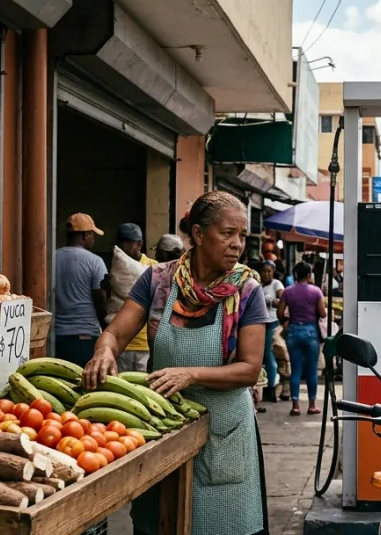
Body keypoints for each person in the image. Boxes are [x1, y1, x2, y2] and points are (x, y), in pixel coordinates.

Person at [82, 191, 271, 535]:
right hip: (163, 425)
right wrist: (104, 351)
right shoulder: (158, 281)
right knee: (160, 523)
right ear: (198, 234)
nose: (237, 245)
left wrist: (191, 375)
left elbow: (249, 368)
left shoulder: (247, 290)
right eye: (227, 233)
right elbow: (115, 333)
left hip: (224, 430)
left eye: (242, 236)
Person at [53, 213, 108, 368]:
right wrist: (106, 329)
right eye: (92, 235)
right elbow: (100, 299)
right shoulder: (95, 261)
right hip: (85, 336)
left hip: (56, 337)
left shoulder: (51, 258)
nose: (93, 240)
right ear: (86, 235)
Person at [106, 223, 159, 373]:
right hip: (122, 343)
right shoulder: (115, 266)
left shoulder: (153, 267)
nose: (124, 247)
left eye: (129, 242)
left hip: (144, 344)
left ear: (139, 244)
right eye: (121, 242)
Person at [277, 261, 327, 416]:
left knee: (296, 370)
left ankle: (295, 406)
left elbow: (280, 312)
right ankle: (312, 405)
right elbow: (323, 313)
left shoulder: (288, 291)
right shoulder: (316, 291)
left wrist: (285, 323)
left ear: (296, 274)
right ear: (309, 274)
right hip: (311, 332)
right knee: (312, 370)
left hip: (293, 331)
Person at [259, 260, 285, 410]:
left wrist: (272, 301)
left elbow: (282, 301)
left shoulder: (277, 284)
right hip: (261, 323)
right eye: (264, 271)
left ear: (273, 272)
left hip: (272, 322)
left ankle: (271, 387)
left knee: (268, 355)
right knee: (262, 355)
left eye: (269, 271)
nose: (266, 274)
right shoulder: (260, 285)